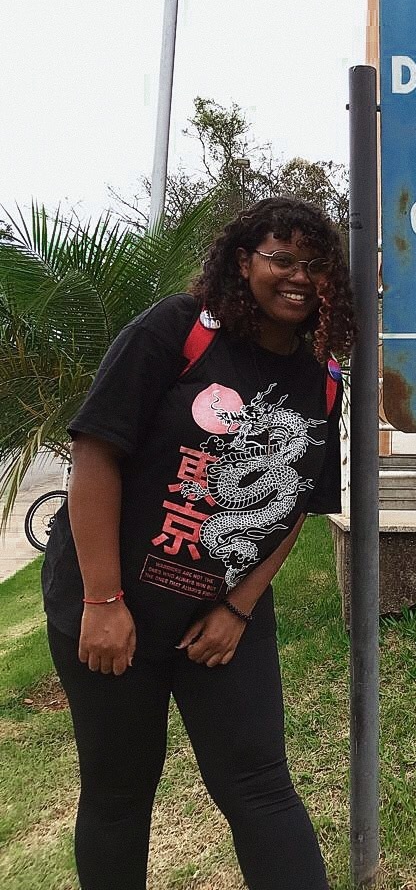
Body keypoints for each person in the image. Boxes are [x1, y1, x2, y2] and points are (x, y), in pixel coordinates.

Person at [42, 197, 355, 890]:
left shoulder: (322, 382)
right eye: (281, 258)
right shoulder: (179, 330)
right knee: (120, 794)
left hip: (218, 621)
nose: (299, 276)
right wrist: (102, 600)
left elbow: (296, 504)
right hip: (111, 606)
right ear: (244, 262)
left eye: (316, 264)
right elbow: (95, 454)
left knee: (261, 788)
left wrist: (239, 609)